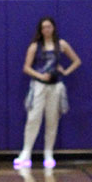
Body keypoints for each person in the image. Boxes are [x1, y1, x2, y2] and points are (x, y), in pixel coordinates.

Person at [14, 16, 81, 169]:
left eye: (49, 26)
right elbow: (26, 67)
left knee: (52, 120)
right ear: (40, 30)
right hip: (39, 85)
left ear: (53, 28)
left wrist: (65, 71)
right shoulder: (34, 46)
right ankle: (26, 152)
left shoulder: (61, 44)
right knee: (33, 118)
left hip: (55, 86)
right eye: (44, 27)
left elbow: (76, 61)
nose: (46, 30)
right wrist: (40, 76)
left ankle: (48, 153)